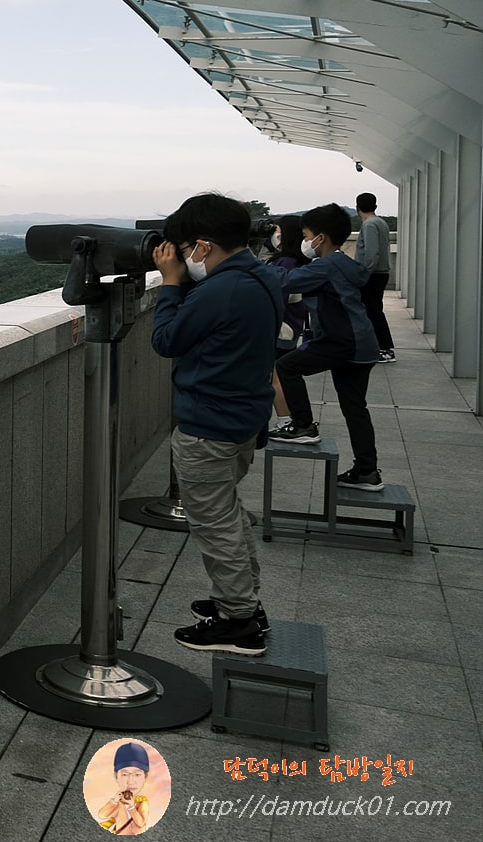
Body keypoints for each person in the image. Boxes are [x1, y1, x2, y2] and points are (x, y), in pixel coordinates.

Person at [151, 193, 283, 656]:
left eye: (185, 248)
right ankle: (242, 601)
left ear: (203, 246)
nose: (183, 257)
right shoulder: (260, 276)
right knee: (227, 513)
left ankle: (238, 622)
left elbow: (167, 340)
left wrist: (170, 284)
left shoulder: (223, 290)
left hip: (210, 423)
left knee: (214, 523)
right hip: (243, 418)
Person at [272, 205, 382, 489]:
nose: (304, 241)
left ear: (319, 238)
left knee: (286, 366)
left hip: (343, 342)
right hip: (360, 343)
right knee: (355, 408)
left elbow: (284, 281)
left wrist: (246, 263)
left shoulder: (326, 265)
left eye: (306, 235)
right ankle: (367, 471)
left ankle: (303, 425)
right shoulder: (342, 262)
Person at [266, 214, 311, 429]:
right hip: (292, 327)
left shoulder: (284, 263)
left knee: (276, 377)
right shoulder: (299, 262)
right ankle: (290, 418)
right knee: (281, 374)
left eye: (277, 230)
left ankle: (285, 420)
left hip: (280, 329)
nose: (275, 234)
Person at [356, 193, 395, 362]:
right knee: (374, 311)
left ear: (358, 208)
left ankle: (385, 349)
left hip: (372, 275)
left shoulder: (369, 225)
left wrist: (363, 273)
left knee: (373, 312)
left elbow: (371, 254)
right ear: (375, 207)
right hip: (380, 273)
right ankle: (380, 347)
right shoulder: (381, 222)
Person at [96, 741, 153, 835]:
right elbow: (102, 815)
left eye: (137, 774)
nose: (130, 781)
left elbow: (140, 823)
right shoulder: (119, 802)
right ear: (116, 776)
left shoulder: (142, 803)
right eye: (125, 774)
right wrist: (114, 801)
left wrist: (132, 807)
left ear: (145, 777)